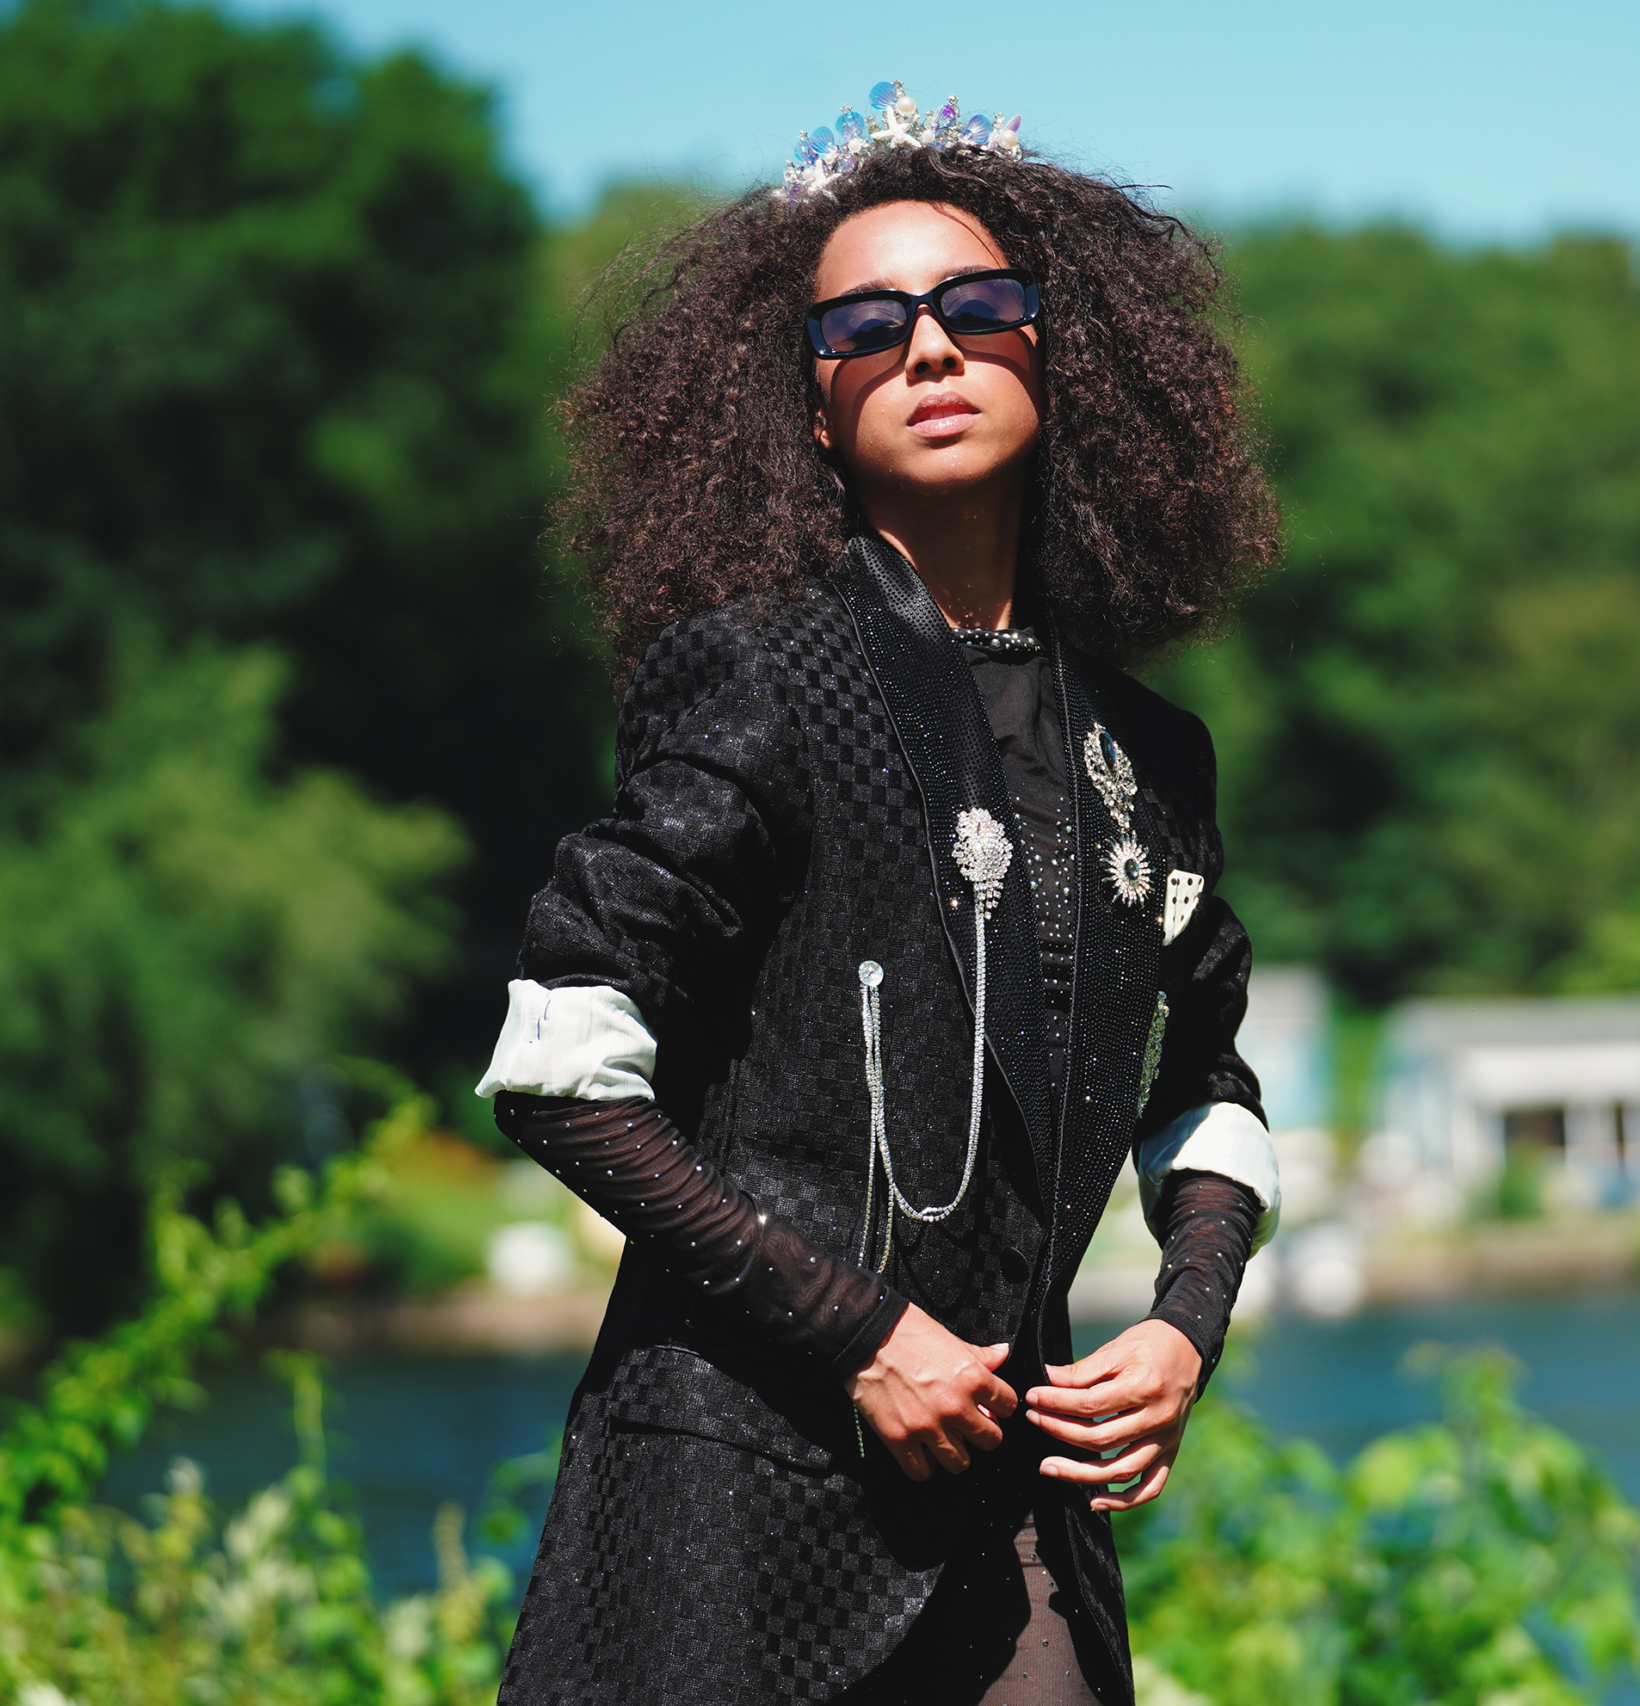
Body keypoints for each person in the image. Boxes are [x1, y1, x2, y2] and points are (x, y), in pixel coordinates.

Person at [474, 84, 1284, 1705]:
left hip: (1016, 1521)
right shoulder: (759, 678)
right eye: (867, 325)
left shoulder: (1150, 753)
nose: (929, 348)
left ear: (1056, 352)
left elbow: (1205, 1090)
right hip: (725, 1516)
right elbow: (563, 1064)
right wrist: (862, 1333)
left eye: (978, 307)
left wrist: (1185, 1320)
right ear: (811, 409)